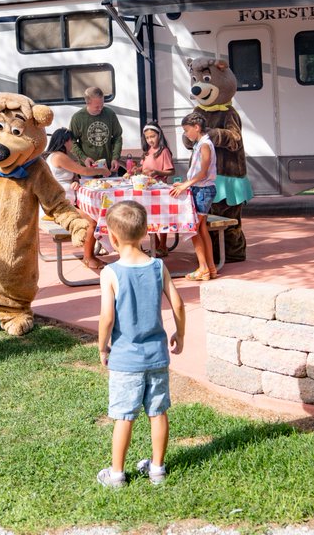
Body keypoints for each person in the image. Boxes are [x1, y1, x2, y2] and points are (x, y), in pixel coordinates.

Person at [96, 200, 185, 488]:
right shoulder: (158, 267)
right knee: (157, 413)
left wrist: (102, 346)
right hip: (157, 356)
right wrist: (179, 333)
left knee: (124, 416)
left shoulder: (110, 273)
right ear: (146, 231)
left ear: (111, 236)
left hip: (126, 359)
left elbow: (107, 318)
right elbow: (178, 304)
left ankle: (117, 473)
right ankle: (157, 468)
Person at [44, 127, 109, 270]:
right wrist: (102, 170)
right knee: (92, 221)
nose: (73, 144)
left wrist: (75, 181)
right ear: (66, 140)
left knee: (94, 215)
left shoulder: (56, 156)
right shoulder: (59, 156)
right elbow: (84, 171)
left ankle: (93, 252)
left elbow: (72, 174)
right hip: (60, 206)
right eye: (72, 141)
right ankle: (88, 257)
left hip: (65, 202)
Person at [169, 111, 217, 282]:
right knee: (202, 229)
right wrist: (186, 182)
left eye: (187, 130)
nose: (186, 134)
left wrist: (185, 185)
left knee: (193, 229)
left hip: (202, 190)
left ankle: (203, 268)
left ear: (197, 128)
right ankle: (210, 267)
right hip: (200, 188)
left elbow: (203, 173)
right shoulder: (201, 144)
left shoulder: (205, 145)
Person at [69, 86, 123, 175]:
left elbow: (117, 137)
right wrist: (84, 158)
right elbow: (72, 141)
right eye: (97, 106)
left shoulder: (110, 114)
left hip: (108, 169)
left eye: (102, 105)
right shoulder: (77, 118)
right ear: (87, 103)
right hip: (88, 170)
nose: (100, 108)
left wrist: (115, 157)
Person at [139, 122, 175, 257]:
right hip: (147, 190)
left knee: (161, 218)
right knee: (147, 217)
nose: (150, 140)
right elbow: (143, 169)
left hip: (160, 190)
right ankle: (157, 244)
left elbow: (171, 171)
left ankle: (163, 245)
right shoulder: (147, 152)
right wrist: (136, 170)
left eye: (152, 136)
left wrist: (157, 172)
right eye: (147, 138)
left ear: (159, 135)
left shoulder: (163, 151)